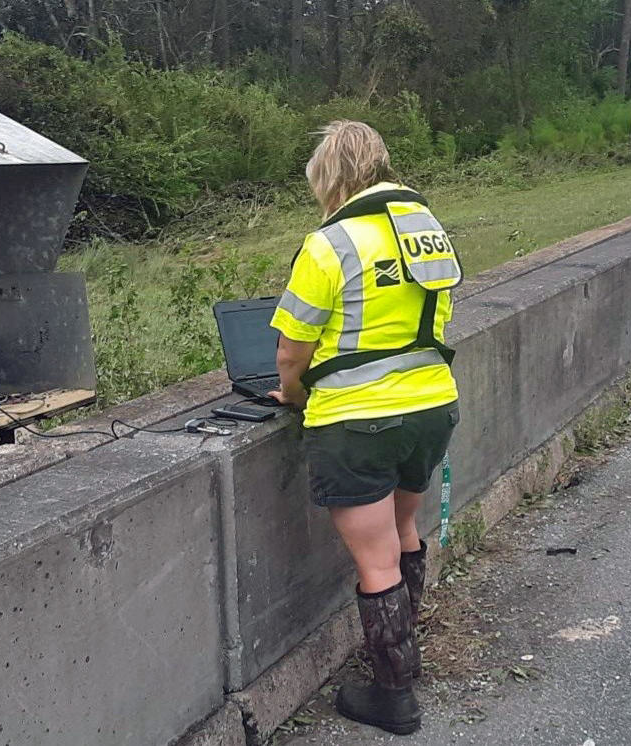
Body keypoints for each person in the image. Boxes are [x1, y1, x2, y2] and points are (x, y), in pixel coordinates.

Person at [268, 120, 461, 736]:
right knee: (404, 530)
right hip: (431, 406)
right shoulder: (427, 232)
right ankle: (406, 658)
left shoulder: (328, 245)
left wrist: (292, 396)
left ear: (329, 177)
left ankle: (393, 698)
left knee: (374, 562)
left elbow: (289, 353)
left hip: (357, 422)